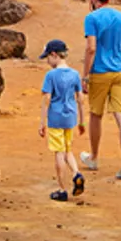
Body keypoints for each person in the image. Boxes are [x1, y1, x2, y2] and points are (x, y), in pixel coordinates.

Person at [81, 0, 121, 180]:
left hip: (100, 72)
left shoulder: (91, 18)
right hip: (119, 71)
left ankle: (94, 157)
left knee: (96, 114)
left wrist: (85, 75)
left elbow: (91, 48)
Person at [38, 39, 85, 202]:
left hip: (56, 118)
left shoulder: (51, 75)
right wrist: (82, 121)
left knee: (58, 152)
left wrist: (42, 122)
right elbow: (80, 98)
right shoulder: (75, 74)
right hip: (71, 117)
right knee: (67, 149)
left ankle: (62, 189)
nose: (48, 62)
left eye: (48, 58)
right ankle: (76, 173)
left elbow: (47, 99)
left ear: (54, 55)